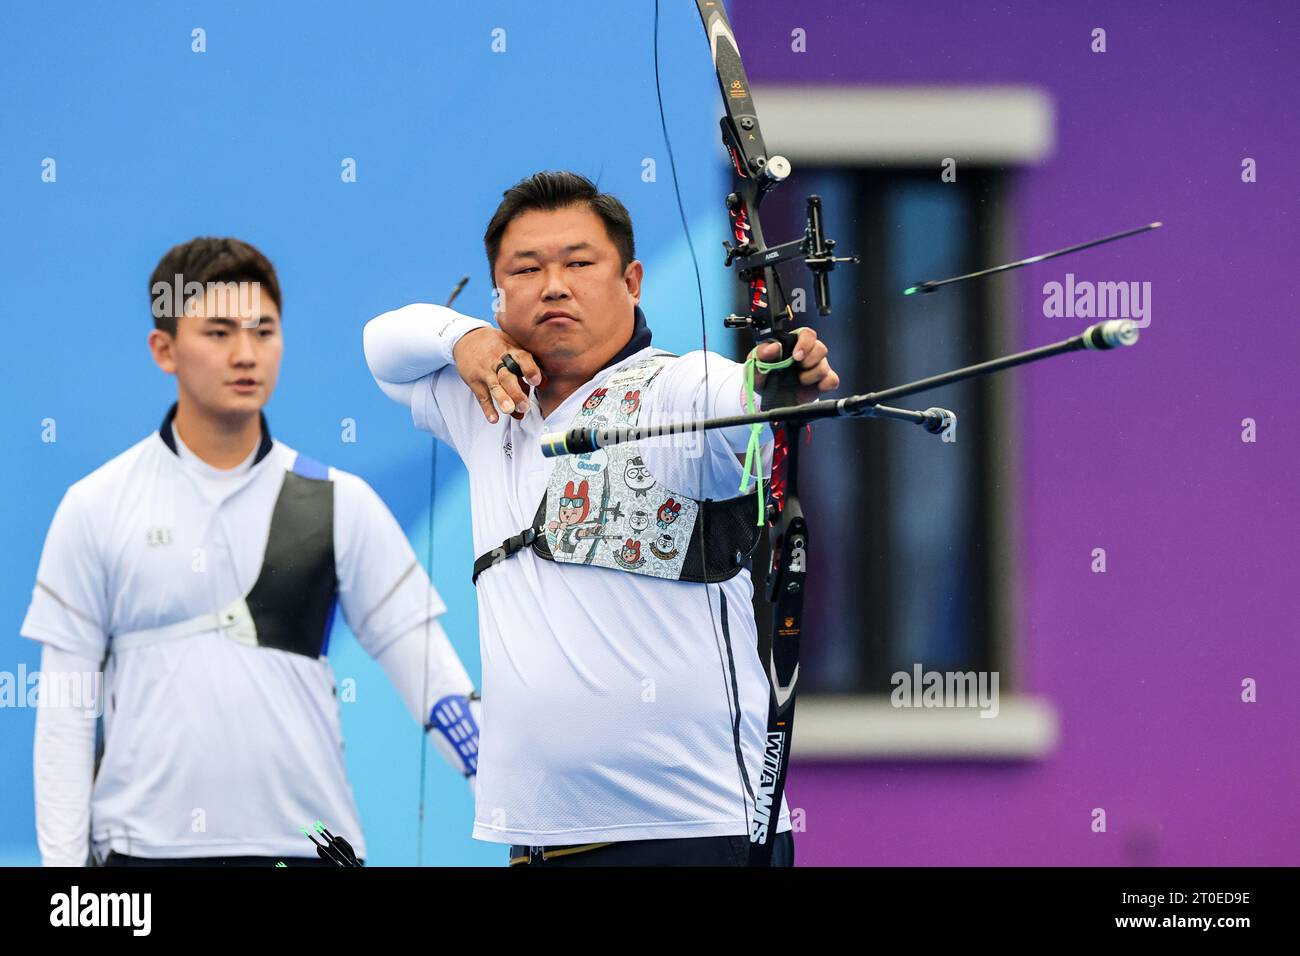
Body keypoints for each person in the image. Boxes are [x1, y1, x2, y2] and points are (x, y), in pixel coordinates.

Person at [364, 171, 839, 866]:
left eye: (581, 263)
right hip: (538, 843)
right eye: (527, 269)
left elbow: (737, 400)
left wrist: (770, 383)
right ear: (499, 295)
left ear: (634, 281)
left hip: (688, 837)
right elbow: (383, 344)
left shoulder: (674, 389)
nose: (554, 285)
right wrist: (463, 336)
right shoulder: (485, 403)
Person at [23, 237, 480, 866]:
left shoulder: (341, 502)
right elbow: (65, 718)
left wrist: (517, 805)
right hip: (140, 860)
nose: (246, 354)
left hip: (305, 852)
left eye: (263, 331)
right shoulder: (95, 505)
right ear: (164, 350)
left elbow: (439, 688)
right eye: (218, 333)